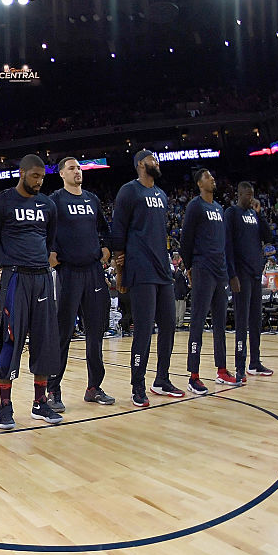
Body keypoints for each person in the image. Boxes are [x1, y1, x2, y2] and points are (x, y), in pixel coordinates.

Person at [0, 154, 63, 429]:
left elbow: (50, 239)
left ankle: (40, 402)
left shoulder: (48, 205)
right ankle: (5, 406)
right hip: (15, 277)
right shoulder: (2, 202)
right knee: (10, 339)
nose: (39, 182)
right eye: (34, 176)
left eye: (42, 177)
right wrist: (8, 262)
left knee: (44, 340)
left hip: (42, 277)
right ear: (22, 173)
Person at [110, 150, 183, 406]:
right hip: (140, 269)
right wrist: (120, 269)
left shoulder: (161, 194)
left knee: (169, 325)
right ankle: (137, 385)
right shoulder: (129, 191)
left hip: (163, 268)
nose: (157, 163)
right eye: (152, 159)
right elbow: (118, 230)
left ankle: (161, 379)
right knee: (143, 329)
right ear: (140, 164)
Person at [47, 156, 115, 409]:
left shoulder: (92, 199)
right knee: (63, 333)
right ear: (62, 174)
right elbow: (47, 231)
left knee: (95, 333)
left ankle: (94, 387)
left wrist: (106, 249)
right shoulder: (55, 200)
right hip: (69, 273)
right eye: (72, 168)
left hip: (93, 272)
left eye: (79, 168)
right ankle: (53, 390)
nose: (77, 171)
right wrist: (52, 256)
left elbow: (105, 228)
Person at [180, 168, 239, 393]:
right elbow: (186, 239)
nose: (212, 179)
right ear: (198, 183)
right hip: (202, 268)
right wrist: (189, 266)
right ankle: (193, 375)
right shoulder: (195, 206)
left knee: (220, 324)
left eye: (213, 176)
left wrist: (229, 272)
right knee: (197, 321)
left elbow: (224, 244)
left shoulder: (218, 208)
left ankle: (222, 370)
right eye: (207, 177)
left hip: (219, 271)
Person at [225, 182, 274, 380]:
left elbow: (268, 236)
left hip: (255, 274)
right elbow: (227, 245)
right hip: (241, 275)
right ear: (239, 194)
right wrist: (232, 274)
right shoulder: (232, 213)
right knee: (242, 321)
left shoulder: (254, 214)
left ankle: (255, 362)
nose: (251, 198)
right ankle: (239, 364)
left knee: (255, 320)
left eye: (253, 194)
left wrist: (260, 213)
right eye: (248, 194)